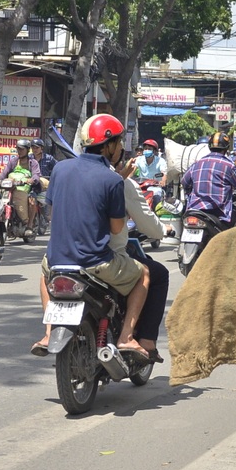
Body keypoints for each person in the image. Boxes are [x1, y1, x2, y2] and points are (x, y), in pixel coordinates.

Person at [41, 114, 151, 359]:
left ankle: (48, 333)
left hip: (57, 260)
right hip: (95, 263)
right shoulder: (112, 180)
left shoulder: (60, 169)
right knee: (143, 273)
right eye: (119, 142)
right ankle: (126, 337)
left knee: (44, 273)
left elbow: (53, 213)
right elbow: (115, 228)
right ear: (108, 144)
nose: (121, 148)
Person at [181, 132, 236, 226]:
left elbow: (184, 181)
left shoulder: (197, 163)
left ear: (209, 147)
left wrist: (189, 192)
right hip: (219, 212)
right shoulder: (229, 166)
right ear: (226, 148)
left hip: (195, 210)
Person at [0, 139, 41, 236]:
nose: (20, 151)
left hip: (29, 188)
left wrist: (31, 180)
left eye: (22, 149)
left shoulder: (33, 163)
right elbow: (4, 173)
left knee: (32, 201)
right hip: (12, 188)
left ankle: (29, 225)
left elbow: (36, 175)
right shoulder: (13, 161)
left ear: (27, 150)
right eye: (18, 149)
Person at [133, 139, 167, 205]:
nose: (147, 150)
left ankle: (155, 212)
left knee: (157, 196)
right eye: (145, 149)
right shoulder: (139, 159)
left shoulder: (161, 161)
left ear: (154, 151)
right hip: (141, 187)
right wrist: (127, 179)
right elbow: (132, 170)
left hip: (155, 187)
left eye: (149, 149)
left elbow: (163, 173)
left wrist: (163, 181)